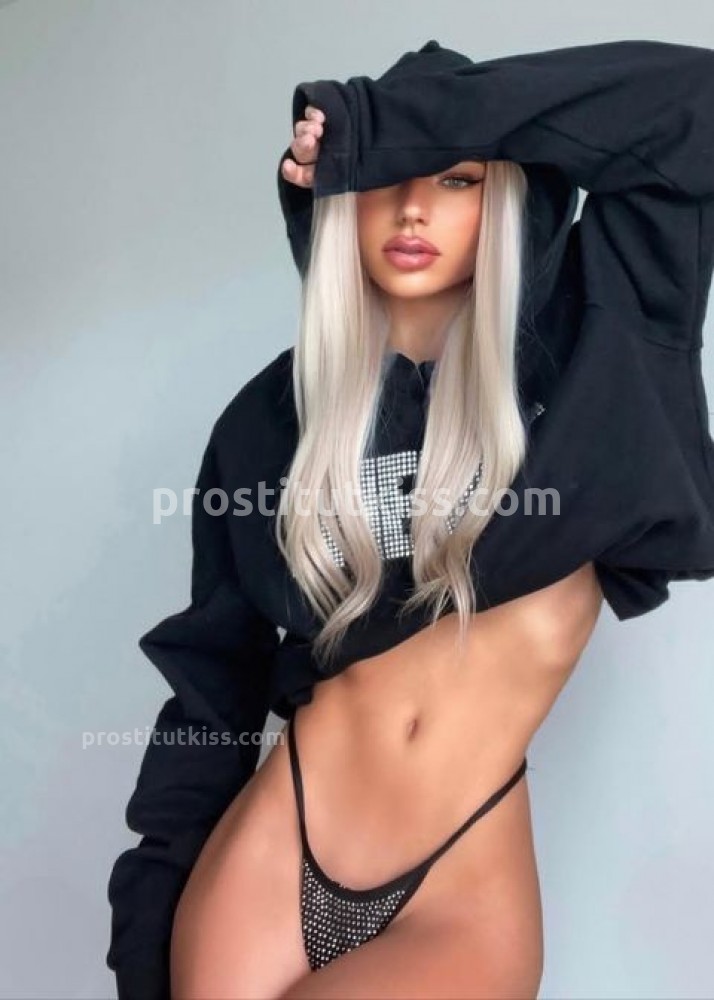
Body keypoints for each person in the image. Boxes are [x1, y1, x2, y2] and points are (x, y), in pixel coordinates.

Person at [106, 39, 714, 1000]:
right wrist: (147, 928)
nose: (413, 208)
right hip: (276, 841)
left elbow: (695, 104)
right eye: (383, 180)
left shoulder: (601, 349)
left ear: (505, 195)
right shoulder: (271, 423)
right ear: (341, 201)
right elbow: (210, 685)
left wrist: (390, 127)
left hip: (461, 881)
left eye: (456, 177)